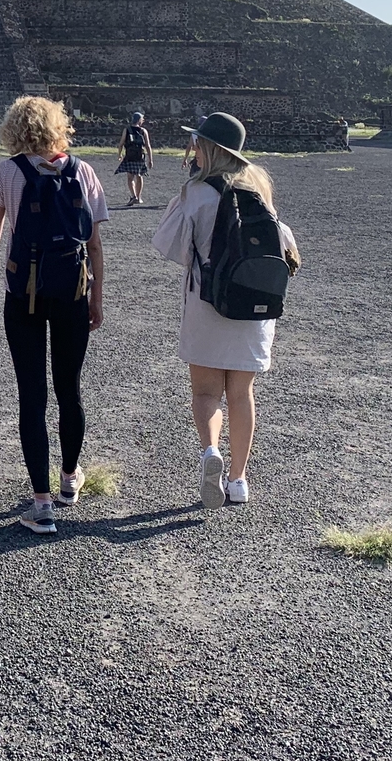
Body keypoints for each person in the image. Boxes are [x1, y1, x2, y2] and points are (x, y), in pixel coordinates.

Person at [152, 112, 300, 509]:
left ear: (207, 148)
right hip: (254, 306)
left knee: (205, 392)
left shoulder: (196, 192)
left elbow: (170, 246)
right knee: (241, 393)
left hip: (207, 304)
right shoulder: (258, 186)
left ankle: (210, 451)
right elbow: (285, 245)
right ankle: (238, 479)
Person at [0, 95, 107, 535]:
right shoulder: (83, 171)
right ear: (58, 126)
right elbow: (93, 244)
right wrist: (96, 296)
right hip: (71, 291)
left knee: (31, 395)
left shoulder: (7, 172)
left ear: (13, 129)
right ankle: (69, 478)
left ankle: (41, 503)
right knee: (70, 389)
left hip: (23, 294)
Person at [115, 111, 153, 206]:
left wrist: (119, 154)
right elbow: (148, 146)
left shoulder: (127, 130)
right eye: (142, 119)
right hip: (140, 157)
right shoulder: (143, 131)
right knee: (139, 175)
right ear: (139, 120)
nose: (143, 121)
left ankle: (133, 196)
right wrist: (150, 159)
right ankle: (139, 197)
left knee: (130, 177)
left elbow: (121, 143)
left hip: (130, 156)